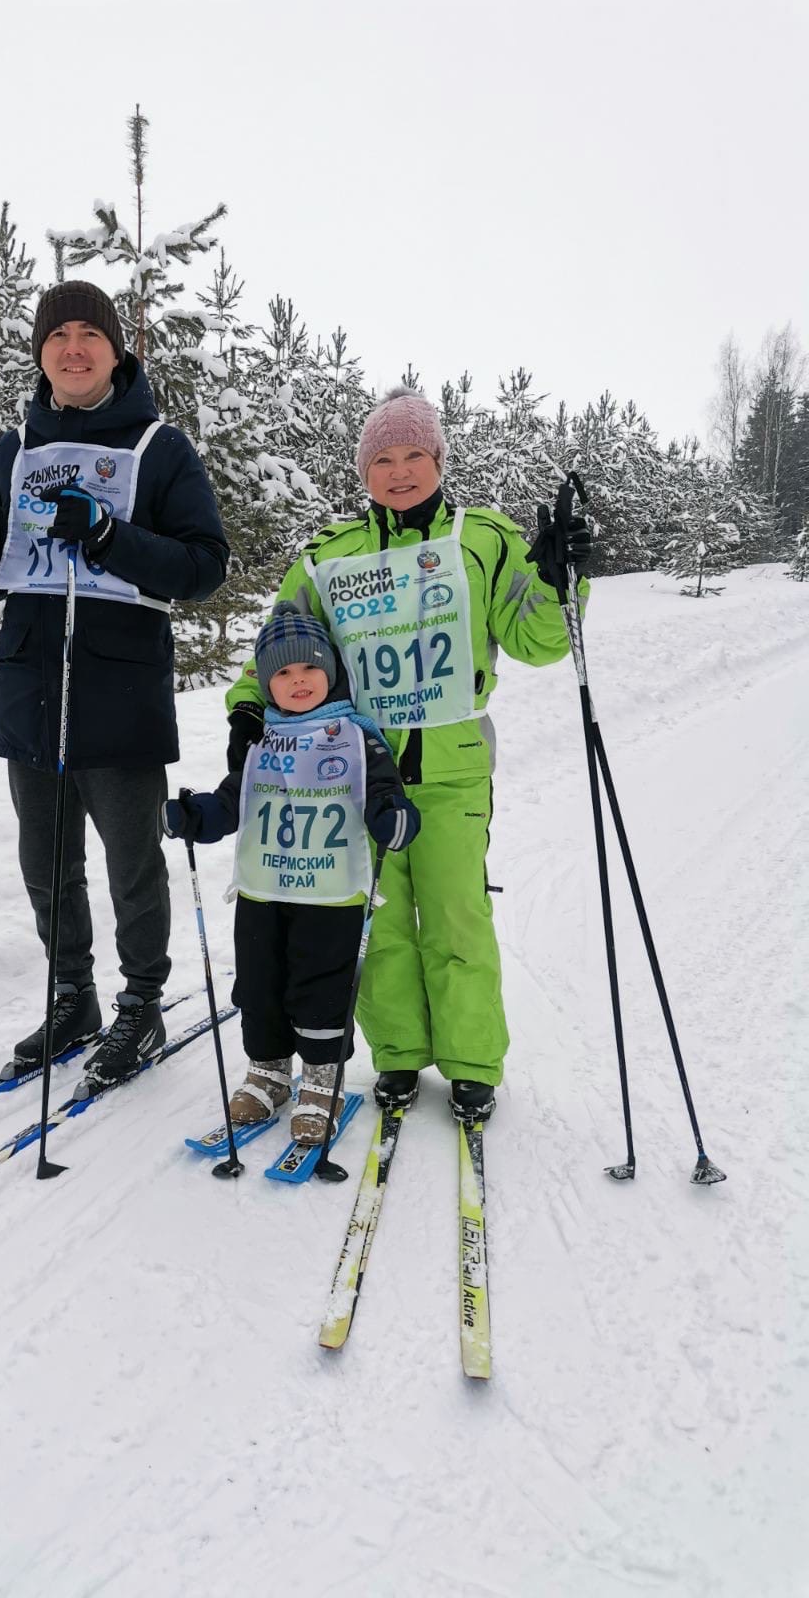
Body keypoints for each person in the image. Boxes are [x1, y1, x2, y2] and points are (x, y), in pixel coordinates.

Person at [224, 386, 591, 1123]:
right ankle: (396, 1053)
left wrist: (560, 582)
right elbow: (279, 646)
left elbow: (539, 641)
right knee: (378, 923)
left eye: (413, 455)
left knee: (456, 917)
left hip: (452, 770)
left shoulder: (482, 539)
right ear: (365, 471)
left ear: (438, 459)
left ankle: (471, 1061)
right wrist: (247, 709)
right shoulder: (331, 555)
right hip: (352, 773)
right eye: (382, 459)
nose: (398, 472)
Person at [0, 280, 228, 1086]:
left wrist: (110, 535)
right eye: (58, 335)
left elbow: (204, 568)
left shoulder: (159, 447)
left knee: (130, 864)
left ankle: (141, 1003)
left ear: (115, 349)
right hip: (30, 687)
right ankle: (73, 993)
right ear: (42, 352)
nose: (73, 348)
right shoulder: (17, 447)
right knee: (46, 861)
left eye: (89, 334)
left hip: (117, 689)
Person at [162, 603, 419, 1144]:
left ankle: (321, 1079)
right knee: (259, 981)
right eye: (282, 672)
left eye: (309, 669)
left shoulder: (355, 735)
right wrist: (197, 815)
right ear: (267, 683)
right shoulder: (261, 741)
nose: (298, 680)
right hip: (265, 888)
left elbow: (385, 790)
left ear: (331, 671)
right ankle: (269, 1071)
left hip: (331, 891)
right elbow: (235, 799)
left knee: (319, 986)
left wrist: (392, 814)